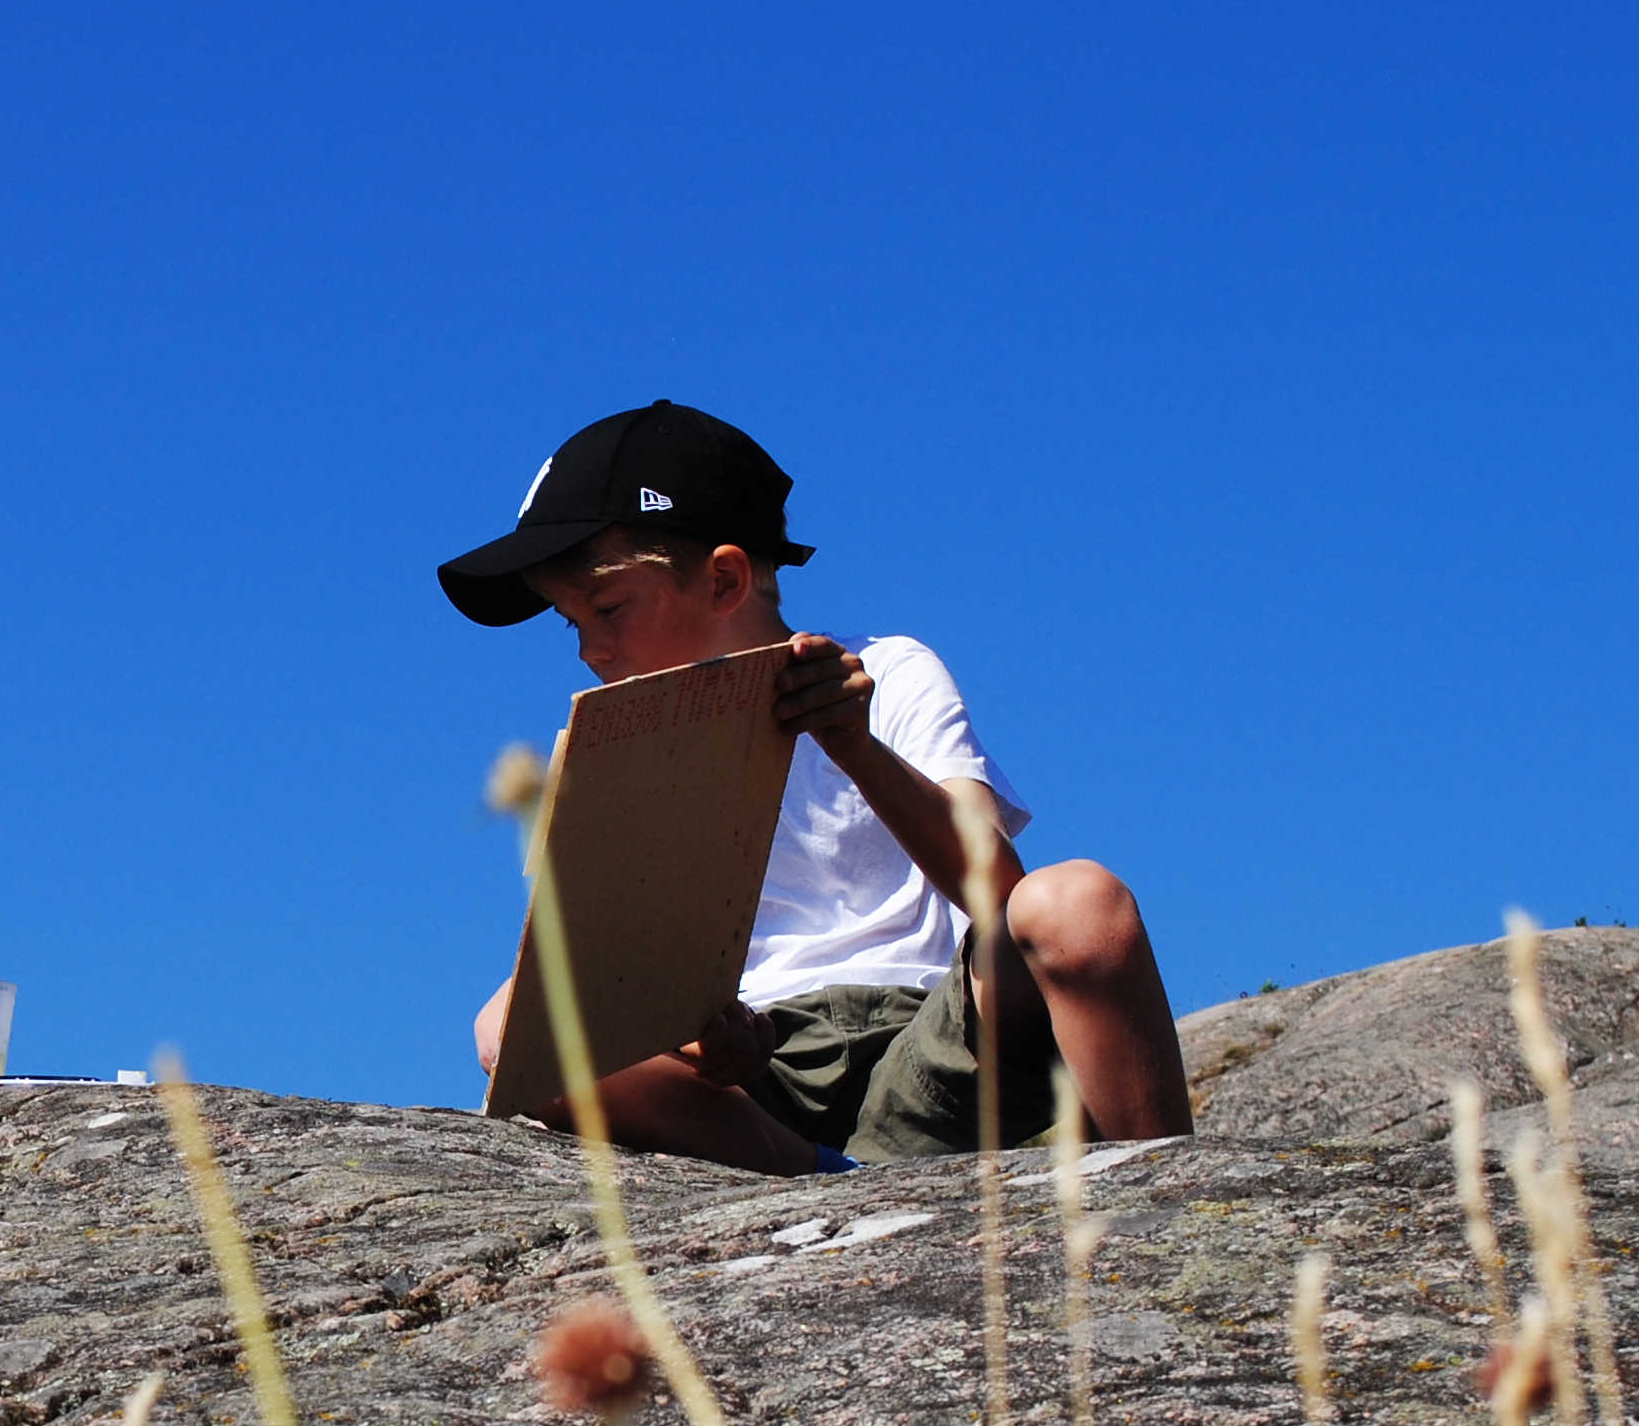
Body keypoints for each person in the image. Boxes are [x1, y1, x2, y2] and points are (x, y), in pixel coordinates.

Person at [445, 402, 1190, 1175]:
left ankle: (1162, 1205)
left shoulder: (888, 671)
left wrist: (853, 744)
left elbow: (996, 889)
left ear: (726, 578)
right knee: (507, 1027)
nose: (590, 650)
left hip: (939, 1042)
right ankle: (824, 1181)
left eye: (607, 609)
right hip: (758, 1094)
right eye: (573, 625)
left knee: (1078, 904)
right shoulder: (616, 757)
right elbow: (612, 983)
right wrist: (702, 1040)